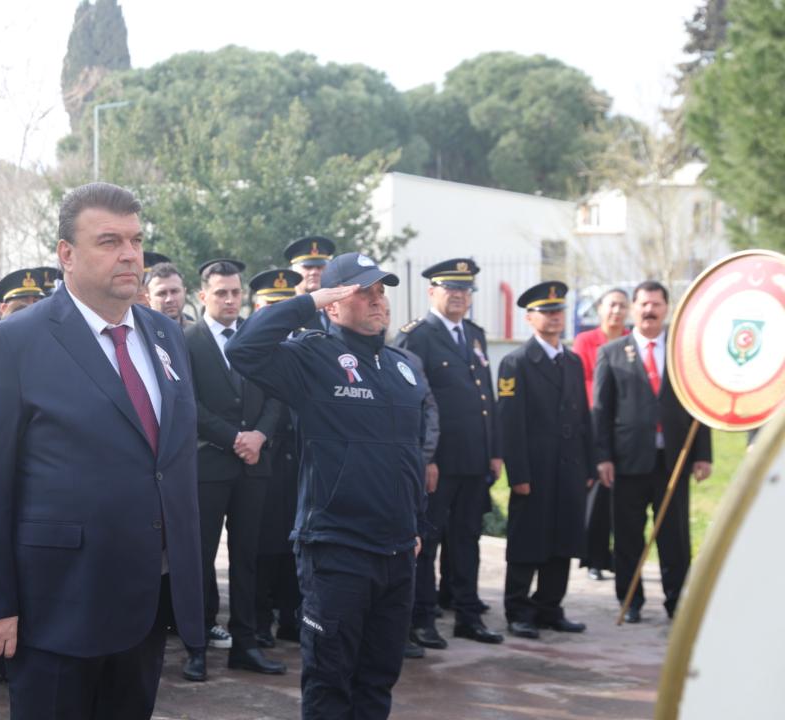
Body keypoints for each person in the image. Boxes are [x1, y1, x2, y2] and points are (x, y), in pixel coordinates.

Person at [0, 182, 203, 720]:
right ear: (66, 253)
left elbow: (169, 462)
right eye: (109, 240)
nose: (130, 254)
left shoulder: (165, 335)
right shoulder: (14, 343)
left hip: (148, 597)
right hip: (58, 605)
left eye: (136, 240)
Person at [226, 252, 429, 720]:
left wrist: (415, 524)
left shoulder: (402, 368)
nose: (379, 301)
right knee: (330, 681)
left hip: (397, 549)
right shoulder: (311, 357)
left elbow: (408, 455)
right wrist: (308, 300)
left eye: (382, 291)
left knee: (378, 678)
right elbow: (244, 349)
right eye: (364, 292)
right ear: (334, 305)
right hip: (336, 548)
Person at [183, 258, 286, 682]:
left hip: (254, 466)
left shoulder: (258, 336)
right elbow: (187, 403)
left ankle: (245, 645)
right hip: (209, 464)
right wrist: (234, 438)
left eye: (235, 292)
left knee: (248, 558)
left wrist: (259, 436)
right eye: (221, 292)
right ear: (202, 295)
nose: (229, 299)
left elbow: (279, 395)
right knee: (200, 559)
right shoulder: (186, 340)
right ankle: (195, 648)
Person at [395, 258, 504, 648]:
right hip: (438, 463)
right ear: (432, 291)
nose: (459, 295)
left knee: (467, 539)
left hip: (475, 459)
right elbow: (414, 403)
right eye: (450, 288)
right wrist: (427, 458)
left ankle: (467, 615)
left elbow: (485, 397)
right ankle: (421, 618)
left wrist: (494, 450)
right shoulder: (416, 336)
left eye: (465, 289)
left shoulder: (474, 335)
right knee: (428, 541)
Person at [593, 281, 713, 623]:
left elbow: (699, 406)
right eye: (644, 304)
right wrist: (602, 456)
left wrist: (703, 454)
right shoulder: (612, 352)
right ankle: (630, 601)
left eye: (656, 304)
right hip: (627, 460)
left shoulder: (683, 351)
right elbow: (601, 410)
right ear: (634, 308)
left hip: (672, 460)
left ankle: (677, 602)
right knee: (629, 535)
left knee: (675, 536)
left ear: (666, 308)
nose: (649, 310)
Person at [496, 282, 592, 640]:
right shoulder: (516, 362)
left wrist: (590, 464)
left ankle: (550, 606)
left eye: (558, 311)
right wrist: (518, 472)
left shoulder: (572, 360)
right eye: (546, 311)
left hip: (569, 466)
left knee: (563, 539)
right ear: (529, 317)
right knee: (527, 541)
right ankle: (518, 610)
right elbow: (510, 423)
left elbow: (584, 415)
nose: (554, 318)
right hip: (534, 470)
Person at [245, 268, 303, 650]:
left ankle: (292, 616)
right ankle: (259, 619)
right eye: (271, 307)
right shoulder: (251, 346)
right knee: (263, 544)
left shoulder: (308, 343)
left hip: (301, 457)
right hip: (264, 455)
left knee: (295, 540)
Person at [573, 288, 628, 581]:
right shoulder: (586, 341)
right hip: (595, 424)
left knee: (624, 497)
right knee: (598, 495)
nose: (616, 311)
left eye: (622, 306)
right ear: (601, 309)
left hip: (626, 428)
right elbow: (580, 381)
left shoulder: (632, 341)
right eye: (611, 305)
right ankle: (594, 557)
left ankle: (620, 555)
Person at [283, 235, 335, 332]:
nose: (314, 272)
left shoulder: (337, 311)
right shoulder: (286, 313)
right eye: (308, 267)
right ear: (294, 271)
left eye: (320, 267)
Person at [146, 261, 189, 327]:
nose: (169, 299)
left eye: (174, 291)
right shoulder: (140, 334)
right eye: (162, 293)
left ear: (184, 293)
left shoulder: (199, 334)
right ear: (148, 299)